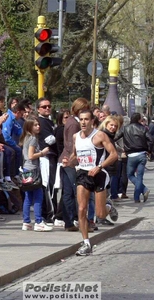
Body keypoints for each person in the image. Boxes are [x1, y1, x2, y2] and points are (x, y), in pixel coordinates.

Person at [70, 110, 119, 256]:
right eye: (81, 119)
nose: (83, 122)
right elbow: (76, 153)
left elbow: (114, 154)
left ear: (92, 121)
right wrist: (68, 161)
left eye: (86, 119)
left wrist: (99, 167)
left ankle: (108, 207)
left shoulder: (99, 135)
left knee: (100, 214)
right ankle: (86, 243)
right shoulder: (75, 137)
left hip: (98, 174)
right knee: (81, 209)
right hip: (83, 174)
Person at [59, 98, 90, 232]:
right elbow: (72, 144)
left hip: (67, 160)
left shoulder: (72, 122)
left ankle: (69, 221)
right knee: (75, 192)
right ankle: (75, 220)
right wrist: (75, 159)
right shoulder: (74, 124)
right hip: (71, 161)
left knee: (68, 192)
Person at [20, 117, 53, 231]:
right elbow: (30, 156)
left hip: (26, 169)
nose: (38, 127)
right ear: (29, 126)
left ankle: (26, 221)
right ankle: (38, 221)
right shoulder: (33, 139)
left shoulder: (26, 138)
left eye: (38, 124)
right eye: (35, 125)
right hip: (33, 170)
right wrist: (42, 153)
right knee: (38, 195)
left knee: (28, 197)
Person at [123, 112, 153, 203]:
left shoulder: (125, 129)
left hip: (131, 154)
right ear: (139, 119)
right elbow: (151, 140)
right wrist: (149, 150)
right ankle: (137, 196)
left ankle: (144, 190)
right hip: (142, 154)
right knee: (140, 176)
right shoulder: (143, 128)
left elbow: (116, 137)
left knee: (130, 175)